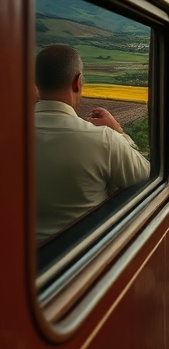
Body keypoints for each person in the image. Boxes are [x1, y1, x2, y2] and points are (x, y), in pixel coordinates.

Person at [35, 44, 150, 241]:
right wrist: (119, 131)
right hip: (82, 259)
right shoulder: (104, 139)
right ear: (77, 82)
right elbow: (147, 179)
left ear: (36, 83)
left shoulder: (8, 134)